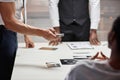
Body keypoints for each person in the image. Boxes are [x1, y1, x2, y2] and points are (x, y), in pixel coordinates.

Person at [0, 0, 58, 79]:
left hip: (11, 31)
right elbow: (9, 22)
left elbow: (21, 9)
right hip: (3, 32)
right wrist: (43, 33)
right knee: (5, 71)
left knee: (10, 68)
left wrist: (26, 34)